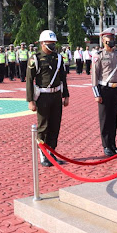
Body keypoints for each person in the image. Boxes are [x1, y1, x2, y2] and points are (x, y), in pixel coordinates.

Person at [27, 30, 70, 167]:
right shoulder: (35, 58)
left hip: (56, 95)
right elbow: (29, 80)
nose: (52, 46)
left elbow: (63, 78)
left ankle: (52, 153)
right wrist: (31, 100)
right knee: (43, 126)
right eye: (49, 43)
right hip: (43, 96)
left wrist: (66, 95)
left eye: (54, 43)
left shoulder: (58, 58)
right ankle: (43, 154)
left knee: (55, 125)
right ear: (42, 43)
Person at [92, 28, 117, 157]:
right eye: (109, 38)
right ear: (103, 40)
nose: (112, 40)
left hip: (116, 89)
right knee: (105, 119)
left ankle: (113, 144)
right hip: (104, 90)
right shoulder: (99, 55)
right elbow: (94, 75)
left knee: (114, 118)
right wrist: (97, 94)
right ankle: (106, 146)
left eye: (113, 38)